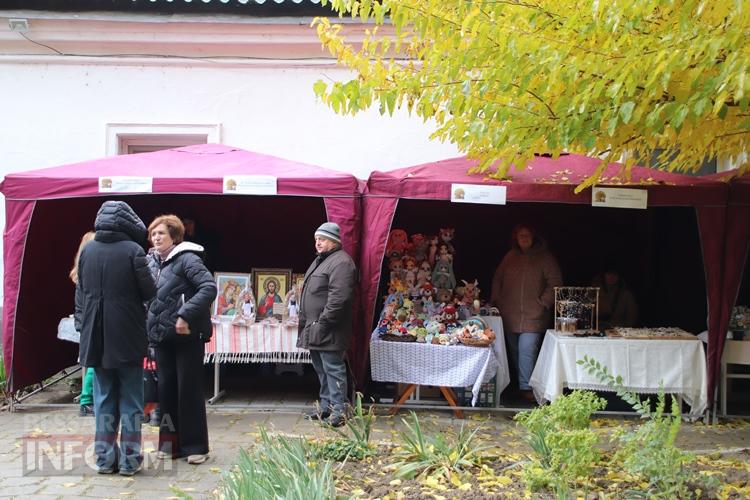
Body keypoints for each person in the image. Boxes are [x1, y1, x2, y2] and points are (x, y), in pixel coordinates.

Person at [75, 201, 156, 476]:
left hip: (96, 336)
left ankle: (104, 460)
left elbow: (82, 292)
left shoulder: (88, 250)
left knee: (103, 399)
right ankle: (130, 461)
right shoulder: (133, 251)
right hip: (127, 336)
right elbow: (149, 291)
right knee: (132, 401)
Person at [146, 214, 217, 465]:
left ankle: (195, 446)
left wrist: (185, 314)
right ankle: (170, 446)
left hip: (187, 336)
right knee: (165, 391)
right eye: (153, 234)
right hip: (161, 337)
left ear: (174, 236)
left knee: (188, 390)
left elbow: (208, 287)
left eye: (161, 233)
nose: (156, 238)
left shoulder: (188, 259)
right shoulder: (150, 262)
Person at [491, 224, 562, 402]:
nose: (524, 238)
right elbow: (498, 278)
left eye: (527, 235)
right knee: (515, 351)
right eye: (520, 235)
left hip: (534, 314)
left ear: (534, 237)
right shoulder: (510, 256)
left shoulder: (545, 258)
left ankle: (527, 388)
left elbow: (555, 281)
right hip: (510, 312)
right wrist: (497, 299)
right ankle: (521, 385)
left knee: (527, 348)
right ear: (515, 238)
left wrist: (543, 302)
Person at [297, 222, 357, 427]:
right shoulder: (322, 260)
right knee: (321, 369)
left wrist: (323, 324)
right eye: (316, 239)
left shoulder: (342, 263)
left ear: (334, 241)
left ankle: (339, 411)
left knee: (333, 368)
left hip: (329, 329)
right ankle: (325, 407)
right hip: (315, 327)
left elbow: (339, 299)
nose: (317, 243)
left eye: (322, 239)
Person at [70, 230, 96, 417]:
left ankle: (88, 400)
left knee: (93, 363)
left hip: (88, 322)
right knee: (95, 364)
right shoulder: (89, 274)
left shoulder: (81, 272)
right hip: (92, 322)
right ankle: (87, 400)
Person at [592, 264, 638, 329]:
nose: (611, 277)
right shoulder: (594, 292)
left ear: (619, 277)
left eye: (615, 275)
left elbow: (631, 317)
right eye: (608, 274)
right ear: (604, 275)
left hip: (618, 331)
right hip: (596, 330)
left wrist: (623, 329)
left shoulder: (626, 294)